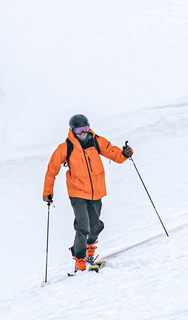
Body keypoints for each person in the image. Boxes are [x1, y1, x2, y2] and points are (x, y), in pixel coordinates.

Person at [42, 114, 133, 273]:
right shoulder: (65, 148)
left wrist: (125, 154)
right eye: (79, 130)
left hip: (96, 191)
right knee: (82, 226)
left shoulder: (96, 141)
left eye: (85, 128)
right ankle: (80, 260)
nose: (83, 133)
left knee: (95, 225)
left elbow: (114, 155)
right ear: (72, 130)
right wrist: (48, 192)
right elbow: (52, 170)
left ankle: (90, 253)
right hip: (77, 192)